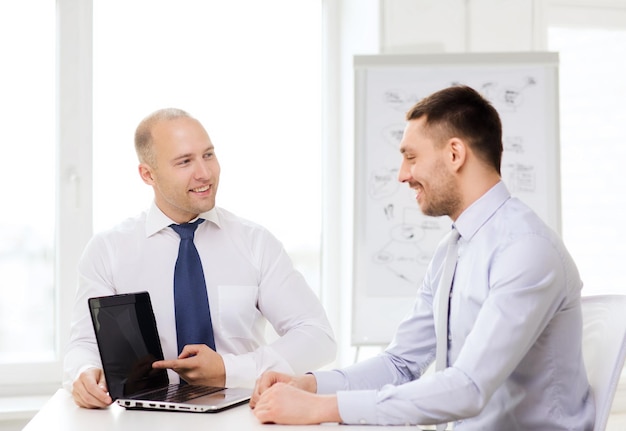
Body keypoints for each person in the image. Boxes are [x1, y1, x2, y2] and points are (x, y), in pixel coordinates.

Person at [250, 85, 595, 429]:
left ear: (455, 154)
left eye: (411, 157)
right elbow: (400, 364)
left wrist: (320, 409)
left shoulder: (525, 250)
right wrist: (309, 386)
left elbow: (468, 389)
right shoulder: (452, 250)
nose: (402, 174)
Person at [63, 108, 336, 409]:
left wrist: (229, 370)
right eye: (184, 161)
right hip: (144, 421)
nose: (204, 173)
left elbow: (317, 336)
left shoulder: (256, 243)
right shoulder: (108, 250)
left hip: (244, 417)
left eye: (208, 155)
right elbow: (85, 344)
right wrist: (83, 373)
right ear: (147, 174)